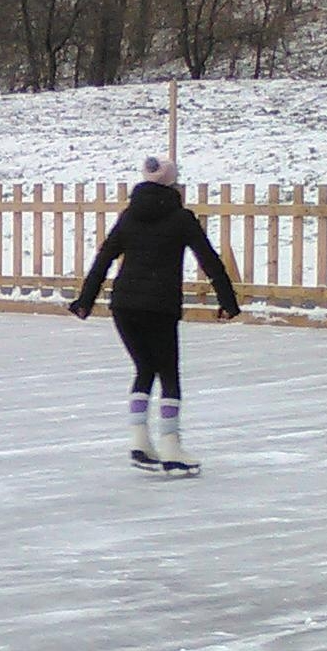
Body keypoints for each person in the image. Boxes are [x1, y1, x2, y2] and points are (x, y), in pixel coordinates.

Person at [70, 154, 241, 476]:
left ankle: (139, 441)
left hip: (123, 305)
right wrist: (228, 301)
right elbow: (209, 259)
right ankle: (171, 447)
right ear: (173, 185)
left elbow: (104, 258)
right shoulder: (181, 218)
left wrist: (85, 300)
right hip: (159, 306)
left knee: (145, 368)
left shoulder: (129, 217)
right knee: (168, 374)